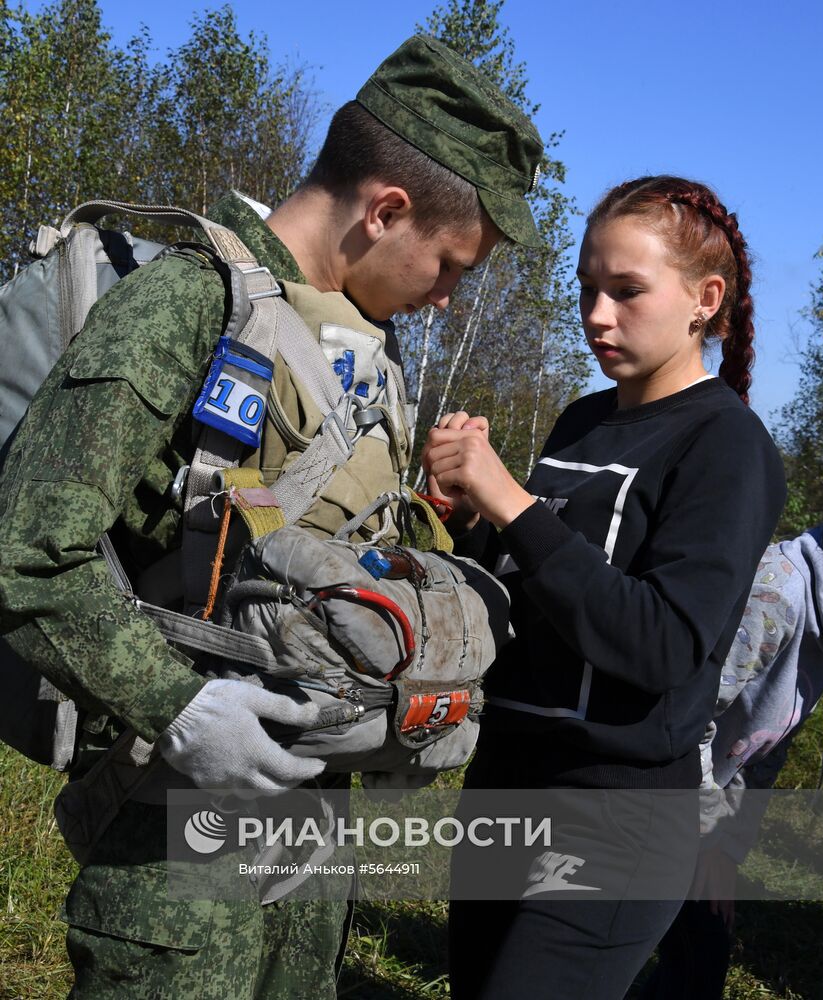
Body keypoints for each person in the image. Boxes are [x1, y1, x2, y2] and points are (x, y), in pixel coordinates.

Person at [0, 34, 543, 1000]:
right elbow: (31, 549)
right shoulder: (189, 300)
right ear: (386, 211)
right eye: (452, 263)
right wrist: (184, 711)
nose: (448, 297)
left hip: (312, 825)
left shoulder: (364, 348)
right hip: (179, 830)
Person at [421, 175, 787, 999]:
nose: (596, 315)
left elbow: (658, 643)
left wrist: (512, 500)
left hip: (615, 817)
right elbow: (539, 587)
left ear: (705, 299)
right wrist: (469, 517)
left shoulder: (726, 447)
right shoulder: (581, 422)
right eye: (588, 289)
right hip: (505, 788)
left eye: (626, 291)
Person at [641, 521, 823, 999]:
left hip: (695, 806)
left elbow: (763, 750)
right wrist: (707, 840)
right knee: (681, 951)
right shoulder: (777, 594)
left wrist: (726, 849)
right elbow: (686, 717)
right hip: (649, 784)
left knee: (698, 951)